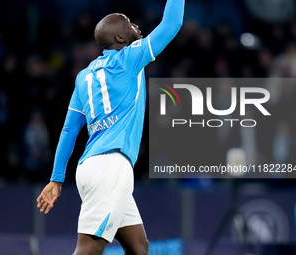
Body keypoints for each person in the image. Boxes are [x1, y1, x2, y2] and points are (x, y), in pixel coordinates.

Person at [37, 0, 185, 254]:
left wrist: (56, 179)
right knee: (88, 249)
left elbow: (69, 130)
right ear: (120, 37)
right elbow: (172, 23)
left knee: (138, 247)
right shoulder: (130, 58)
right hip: (110, 168)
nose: (136, 25)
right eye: (129, 23)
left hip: (90, 168)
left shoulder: (84, 76)